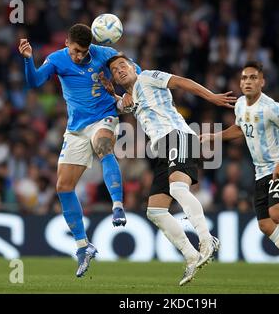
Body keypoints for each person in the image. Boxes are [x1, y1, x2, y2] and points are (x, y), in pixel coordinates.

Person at [105, 54, 236, 286]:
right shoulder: (129, 97)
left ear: (134, 67)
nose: (120, 70)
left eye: (123, 65)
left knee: (178, 188)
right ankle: (191, 255)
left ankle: (207, 240)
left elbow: (181, 82)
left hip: (178, 136)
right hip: (162, 149)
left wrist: (211, 97)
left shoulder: (147, 77)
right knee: (155, 211)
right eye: (115, 70)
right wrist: (111, 93)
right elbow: (120, 106)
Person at [18, 24, 133, 278]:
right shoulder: (58, 58)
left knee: (103, 145)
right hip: (76, 128)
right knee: (63, 187)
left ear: (89, 46)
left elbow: (132, 69)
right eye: (75, 51)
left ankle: (117, 205)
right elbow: (35, 81)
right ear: (67, 42)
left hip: (104, 117)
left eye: (83, 52)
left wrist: (127, 89)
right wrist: (28, 60)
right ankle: (83, 246)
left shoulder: (104, 54)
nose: (79, 56)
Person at [200, 61, 279, 286]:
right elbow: (240, 128)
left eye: (253, 78)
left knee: (277, 213)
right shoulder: (239, 105)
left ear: (262, 82)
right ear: (240, 82)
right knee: (265, 225)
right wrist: (214, 136)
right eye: (245, 78)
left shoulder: (271, 107)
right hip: (260, 172)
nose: (248, 82)